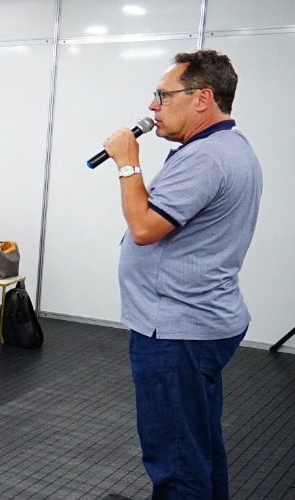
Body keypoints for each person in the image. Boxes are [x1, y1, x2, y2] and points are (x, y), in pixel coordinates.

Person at [101, 49, 261, 499]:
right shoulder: (223, 148)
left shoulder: (205, 158)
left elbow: (144, 227)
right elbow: (158, 214)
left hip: (177, 330)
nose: (153, 106)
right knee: (199, 444)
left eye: (162, 95)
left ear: (202, 98)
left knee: (175, 459)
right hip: (199, 322)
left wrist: (128, 163)